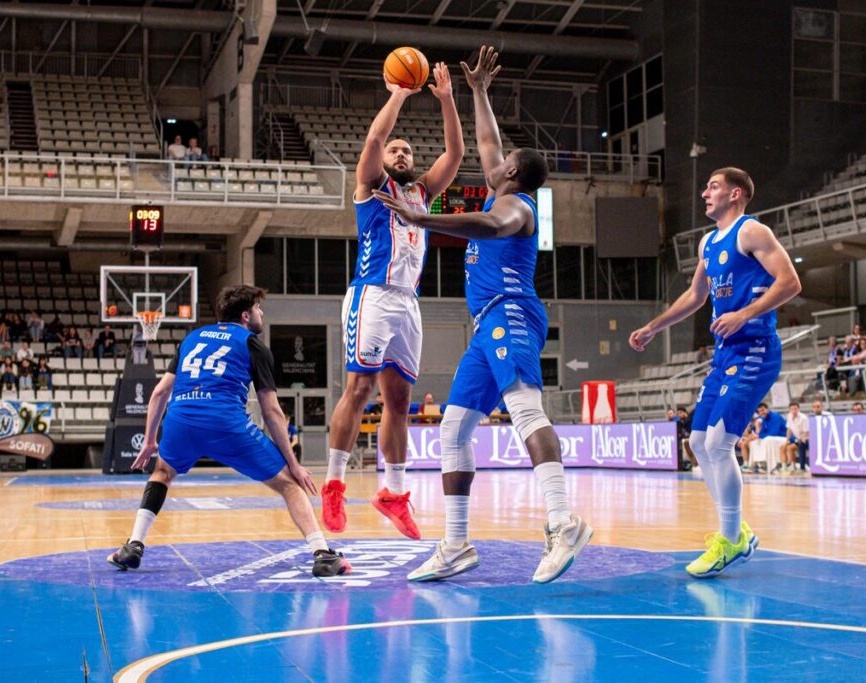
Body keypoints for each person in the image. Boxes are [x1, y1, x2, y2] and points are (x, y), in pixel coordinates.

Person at [375, 46, 589, 584]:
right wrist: (477, 92)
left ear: (512, 173)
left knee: (524, 410)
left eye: (503, 161)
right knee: (452, 429)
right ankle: (455, 545)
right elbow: (489, 142)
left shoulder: (515, 208)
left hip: (511, 313)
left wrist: (425, 220)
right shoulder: (506, 187)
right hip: (486, 324)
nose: (493, 161)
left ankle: (563, 522)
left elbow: (490, 228)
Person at [629, 165, 801, 578]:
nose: (705, 193)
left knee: (721, 443)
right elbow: (695, 295)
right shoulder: (709, 242)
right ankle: (736, 530)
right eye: (706, 186)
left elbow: (790, 282)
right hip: (725, 353)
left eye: (714, 186)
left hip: (756, 348)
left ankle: (730, 539)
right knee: (700, 442)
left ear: (737, 194)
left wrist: (745, 313)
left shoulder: (752, 232)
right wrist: (653, 326)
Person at [107, 285, 350, 578]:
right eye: (259, 309)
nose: (262, 314)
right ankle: (322, 553)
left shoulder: (191, 339)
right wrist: (294, 464)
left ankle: (134, 545)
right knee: (289, 484)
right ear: (246, 315)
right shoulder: (252, 344)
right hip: (225, 421)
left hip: (181, 418)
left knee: (161, 473)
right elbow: (271, 411)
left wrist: (149, 441)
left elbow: (159, 394)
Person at [320, 57, 463, 541]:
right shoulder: (371, 187)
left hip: (408, 302)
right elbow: (375, 142)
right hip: (372, 296)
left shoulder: (421, 193)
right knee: (358, 391)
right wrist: (400, 92)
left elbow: (456, 153)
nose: (401, 153)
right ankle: (335, 485)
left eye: (407, 150)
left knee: (399, 401)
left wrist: (445, 100)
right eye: (396, 150)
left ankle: (393, 493)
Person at [780, 402, 808, 475]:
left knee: (800, 445)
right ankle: (790, 466)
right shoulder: (789, 416)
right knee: (785, 447)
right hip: (798, 438)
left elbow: (806, 432)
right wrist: (786, 440)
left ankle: (802, 468)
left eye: (795, 409)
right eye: (792, 409)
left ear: (798, 409)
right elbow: (789, 429)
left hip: (806, 439)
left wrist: (802, 440)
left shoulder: (803, 418)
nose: (794, 411)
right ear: (789, 410)